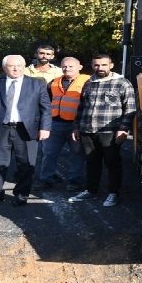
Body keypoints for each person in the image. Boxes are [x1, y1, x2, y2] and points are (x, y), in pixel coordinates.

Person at [0, 55, 51, 206]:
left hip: (26, 129)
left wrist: (45, 127)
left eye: (20, 65)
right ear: (5, 68)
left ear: (24, 67)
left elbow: (46, 108)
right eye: (12, 66)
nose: (16, 68)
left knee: (26, 163)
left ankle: (22, 193)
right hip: (1, 128)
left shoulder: (37, 84)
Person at [68, 54, 136, 207]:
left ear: (111, 65)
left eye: (104, 65)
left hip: (109, 131)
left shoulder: (122, 83)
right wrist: (76, 127)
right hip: (87, 129)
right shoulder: (89, 82)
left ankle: (113, 193)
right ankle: (91, 191)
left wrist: (123, 129)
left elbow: (130, 108)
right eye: (96, 65)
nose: (100, 68)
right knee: (92, 161)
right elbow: (81, 107)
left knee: (112, 163)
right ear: (92, 66)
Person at [38, 57, 90, 191]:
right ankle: (46, 179)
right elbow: (45, 102)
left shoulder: (88, 81)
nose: (67, 69)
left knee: (77, 154)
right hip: (55, 123)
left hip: (76, 125)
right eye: (64, 66)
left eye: (71, 66)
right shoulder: (54, 82)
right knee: (49, 153)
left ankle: (75, 181)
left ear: (80, 67)